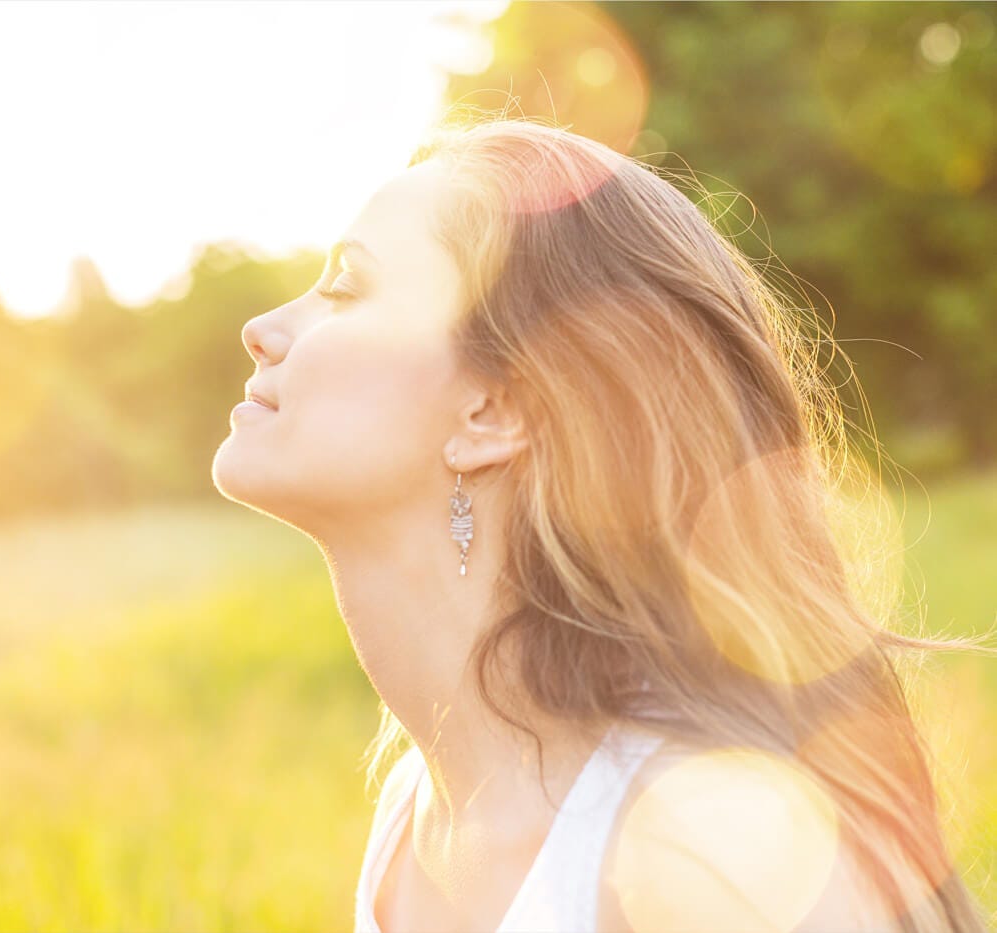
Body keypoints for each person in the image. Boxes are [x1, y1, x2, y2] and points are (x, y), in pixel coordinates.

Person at [211, 114, 993, 932]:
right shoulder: (415, 814)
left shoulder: (714, 859)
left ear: (492, 409)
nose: (261, 331)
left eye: (345, 287)